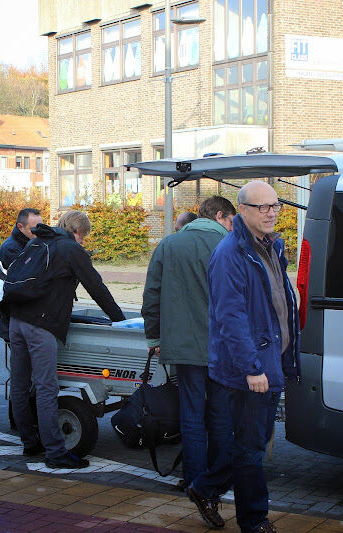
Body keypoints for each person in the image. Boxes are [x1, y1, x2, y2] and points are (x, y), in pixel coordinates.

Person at [188, 181, 299, 533]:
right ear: (243, 212)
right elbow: (230, 317)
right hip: (248, 369)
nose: (271, 213)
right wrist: (252, 369)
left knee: (248, 443)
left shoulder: (270, 247)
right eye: (262, 207)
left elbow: (278, 305)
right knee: (252, 449)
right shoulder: (230, 254)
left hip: (269, 362)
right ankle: (255, 521)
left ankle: (203, 488)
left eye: (275, 206)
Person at [8, 210, 125, 469]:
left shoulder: (38, 240)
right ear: (79, 232)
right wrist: (120, 320)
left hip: (16, 320)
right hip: (41, 325)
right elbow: (97, 288)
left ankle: (30, 442)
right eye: (84, 238)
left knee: (20, 384)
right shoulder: (72, 249)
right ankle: (55, 453)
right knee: (47, 389)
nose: (83, 243)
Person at [142, 196, 235, 494]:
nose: (233, 227)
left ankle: (194, 479)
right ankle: (218, 480)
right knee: (221, 416)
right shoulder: (231, 247)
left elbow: (152, 294)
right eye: (231, 221)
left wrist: (154, 337)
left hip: (184, 348)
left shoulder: (169, 245)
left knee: (192, 415)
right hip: (225, 349)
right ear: (220, 216)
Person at [0, 208, 43, 341]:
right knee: (21, 359)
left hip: (16, 315)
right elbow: (30, 277)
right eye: (34, 229)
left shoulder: (31, 242)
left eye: (40, 227)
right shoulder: (11, 248)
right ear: (20, 227)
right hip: (7, 317)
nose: (38, 233)